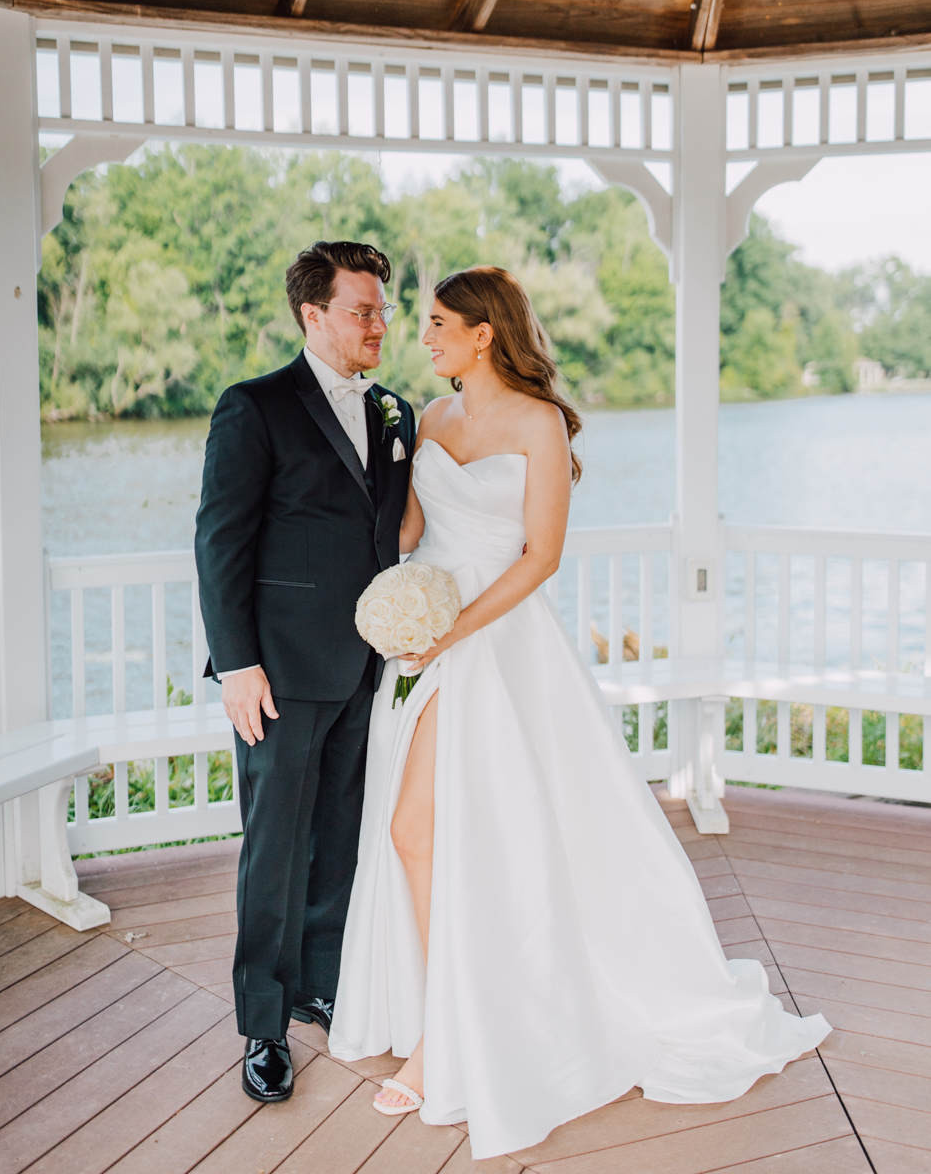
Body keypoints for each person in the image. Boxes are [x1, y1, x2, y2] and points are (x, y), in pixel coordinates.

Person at [328, 265, 830, 1160]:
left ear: (484, 332)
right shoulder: (429, 420)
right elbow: (405, 530)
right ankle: (446, 1013)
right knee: (413, 832)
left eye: (440, 322)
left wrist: (450, 630)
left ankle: (459, 1032)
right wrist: (391, 595)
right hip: (426, 637)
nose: (426, 336)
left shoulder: (540, 424)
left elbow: (540, 557)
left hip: (496, 641)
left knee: (466, 831)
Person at [195, 241, 415, 1104]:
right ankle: (261, 1023)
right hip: (279, 672)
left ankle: (321, 985)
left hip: (369, 668)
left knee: (343, 840)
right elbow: (221, 542)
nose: (379, 325)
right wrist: (236, 663)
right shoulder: (253, 408)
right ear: (311, 314)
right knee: (275, 850)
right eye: (362, 310)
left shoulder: (394, 410)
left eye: (383, 309)